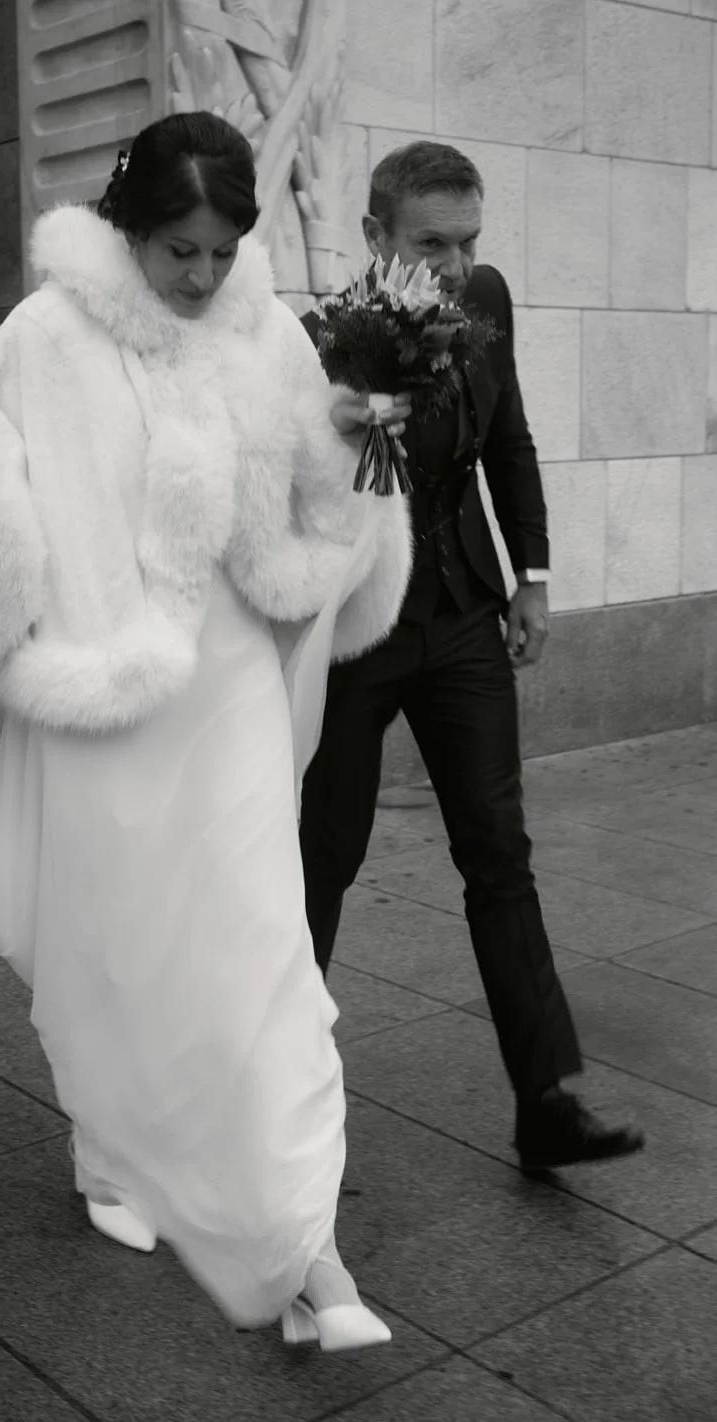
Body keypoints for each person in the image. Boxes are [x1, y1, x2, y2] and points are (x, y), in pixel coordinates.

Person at [0, 112, 414, 1350]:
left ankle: (305, 1254)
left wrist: (352, 437)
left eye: (221, 252)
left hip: (228, 688)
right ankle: (110, 1152)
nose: (202, 277)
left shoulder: (266, 330)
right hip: (103, 695)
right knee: (113, 955)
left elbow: (310, 498)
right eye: (179, 251)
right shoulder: (46, 332)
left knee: (263, 953)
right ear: (128, 229)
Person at [298, 140, 645, 1173]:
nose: (454, 265)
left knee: (498, 852)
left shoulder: (484, 297)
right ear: (375, 236)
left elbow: (509, 440)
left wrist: (530, 575)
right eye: (430, 244)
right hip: (356, 629)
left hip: (460, 616)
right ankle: (270, 1101)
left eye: (467, 241)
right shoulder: (327, 338)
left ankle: (545, 1104)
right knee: (322, 858)